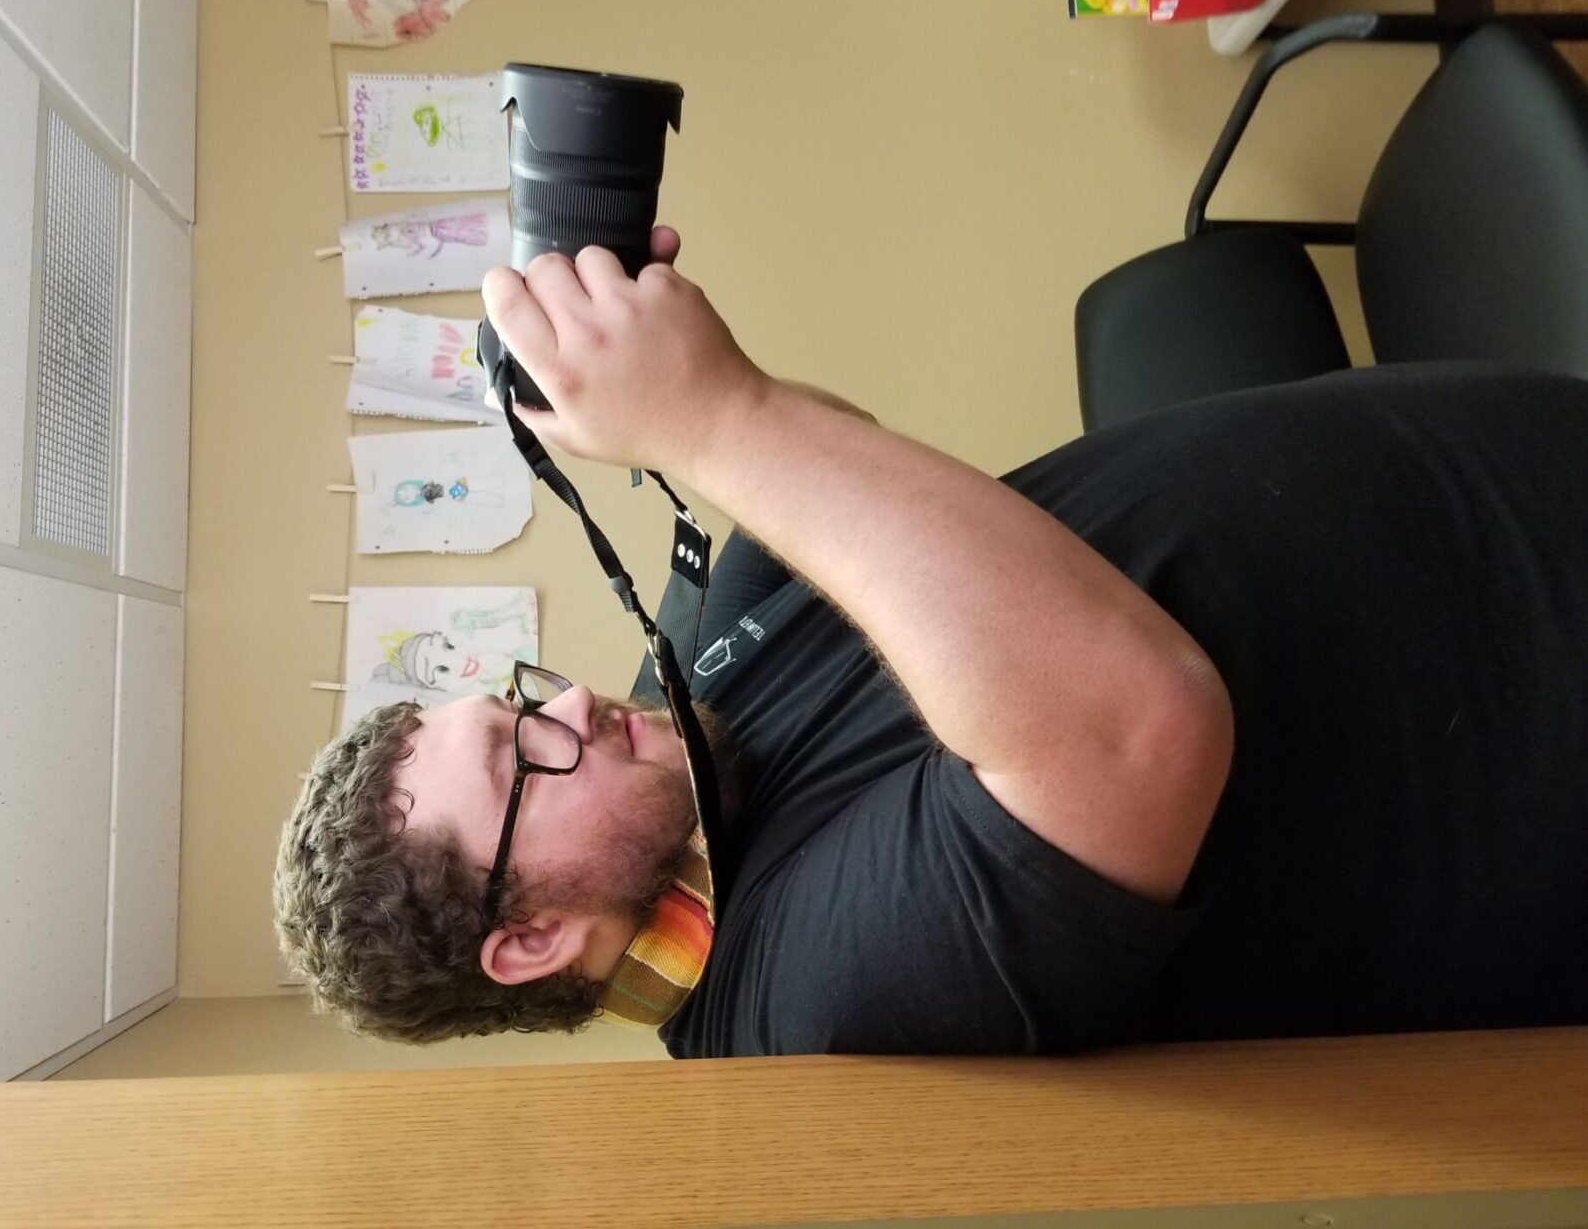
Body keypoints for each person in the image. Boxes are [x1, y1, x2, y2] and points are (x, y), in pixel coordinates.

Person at [273, 227, 1588, 1057]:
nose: (571, 706)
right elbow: (1129, 727)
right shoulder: (803, 1009)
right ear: (529, 942)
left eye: (518, 701)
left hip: (1512, 472)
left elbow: (828, 485)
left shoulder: (680, 744)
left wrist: (662, 357)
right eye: (524, 761)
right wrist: (715, 422)